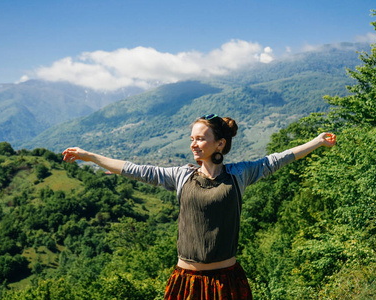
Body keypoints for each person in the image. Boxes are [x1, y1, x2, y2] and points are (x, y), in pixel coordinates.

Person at [62, 114, 336, 300]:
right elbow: (136, 170)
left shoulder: (239, 175)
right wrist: (90, 157)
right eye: (192, 138)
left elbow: (277, 159)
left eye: (200, 138)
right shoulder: (182, 176)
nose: (193, 143)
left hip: (227, 283)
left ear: (220, 143)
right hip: (186, 282)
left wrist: (317, 141)